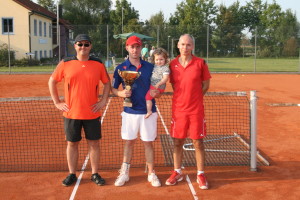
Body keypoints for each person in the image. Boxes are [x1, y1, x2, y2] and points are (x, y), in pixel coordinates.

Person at [48, 34, 111, 187]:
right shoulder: (65, 63)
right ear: (75, 46)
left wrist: (103, 101)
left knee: (94, 144)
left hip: (92, 112)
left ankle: (95, 173)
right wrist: (57, 102)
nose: (83, 47)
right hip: (71, 113)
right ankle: (72, 174)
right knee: (72, 144)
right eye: (80, 44)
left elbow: (107, 83)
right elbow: (52, 81)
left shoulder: (98, 64)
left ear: (91, 46)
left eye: (86, 44)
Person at [112, 35, 161, 187]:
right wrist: (121, 94)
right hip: (129, 112)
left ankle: (151, 173)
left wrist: (157, 93)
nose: (135, 49)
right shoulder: (120, 68)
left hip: (148, 112)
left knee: (148, 143)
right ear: (127, 48)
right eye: (132, 47)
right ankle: (125, 173)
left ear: (141, 49)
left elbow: (158, 87)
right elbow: (113, 89)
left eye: (137, 47)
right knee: (129, 142)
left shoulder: (150, 67)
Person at [165, 34, 211, 190]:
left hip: (196, 110)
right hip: (178, 111)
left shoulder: (200, 63)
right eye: (183, 44)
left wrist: (194, 98)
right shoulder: (172, 65)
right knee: (178, 142)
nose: (185, 47)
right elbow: (173, 85)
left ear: (193, 47)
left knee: (198, 142)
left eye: (188, 45)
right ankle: (177, 171)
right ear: (178, 45)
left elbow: (205, 85)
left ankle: (200, 174)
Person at [145, 48, 170, 119]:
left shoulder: (165, 68)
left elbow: (165, 78)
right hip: (153, 85)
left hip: (157, 87)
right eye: (157, 60)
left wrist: (158, 84)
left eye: (161, 59)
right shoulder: (155, 66)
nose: (159, 61)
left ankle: (149, 111)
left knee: (147, 97)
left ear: (165, 59)